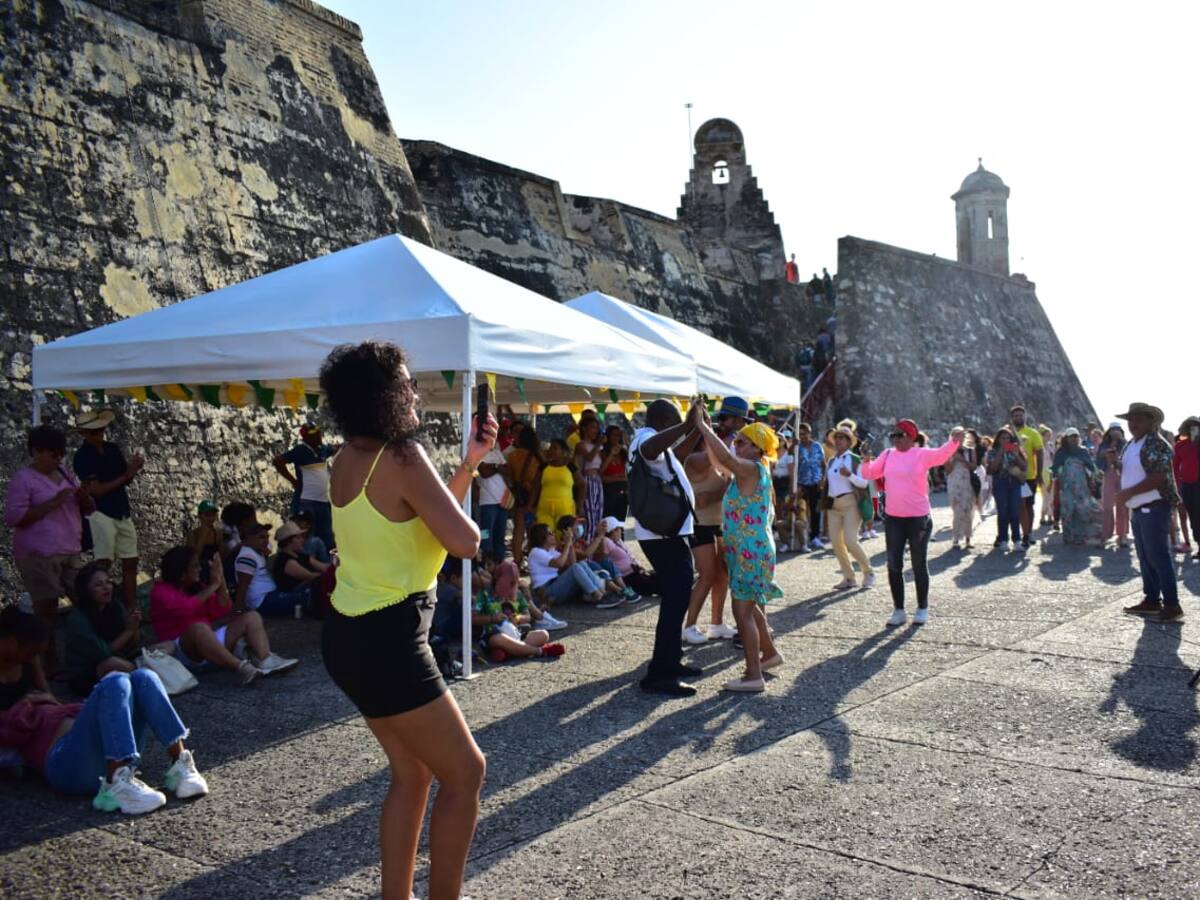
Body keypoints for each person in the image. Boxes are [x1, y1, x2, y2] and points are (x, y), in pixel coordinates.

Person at [318, 341, 495, 900]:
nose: (415, 391)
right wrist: (462, 475)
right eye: (406, 382)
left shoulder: (346, 457)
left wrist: (469, 462)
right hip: (390, 638)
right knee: (466, 773)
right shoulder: (402, 457)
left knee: (413, 774)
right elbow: (464, 541)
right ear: (385, 395)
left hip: (349, 636)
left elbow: (421, 527)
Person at [0, 607, 208, 815]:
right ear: (10, 642)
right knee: (114, 681)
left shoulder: (28, 660)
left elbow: (49, 697)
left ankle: (180, 765)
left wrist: (44, 698)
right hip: (62, 761)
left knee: (144, 677)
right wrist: (23, 707)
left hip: (91, 742)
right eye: (30, 652)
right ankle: (116, 784)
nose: (33, 657)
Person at [695, 415, 783, 692]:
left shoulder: (752, 469)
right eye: (735, 441)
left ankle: (753, 675)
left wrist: (702, 427)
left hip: (750, 550)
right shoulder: (747, 469)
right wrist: (709, 431)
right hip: (746, 550)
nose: (736, 445)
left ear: (757, 448)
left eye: (741, 442)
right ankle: (769, 654)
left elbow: (727, 460)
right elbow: (720, 460)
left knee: (742, 611)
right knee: (751, 606)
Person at [6, 424, 93, 673]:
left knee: (84, 599)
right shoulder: (23, 479)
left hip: (70, 549)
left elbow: (87, 509)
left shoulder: (64, 472)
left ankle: (82, 652)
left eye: (60, 453)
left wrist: (83, 497)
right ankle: (47, 662)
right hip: (39, 554)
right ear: (36, 451)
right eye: (52, 453)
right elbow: (14, 518)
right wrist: (55, 501)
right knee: (46, 611)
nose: (57, 458)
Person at [630, 399, 703, 697]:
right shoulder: (644, 438)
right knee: (675, 600)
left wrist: (697, 430)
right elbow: (650, 450)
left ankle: (671, 661)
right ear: (664, 420)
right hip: (662, 535)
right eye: (673, 422)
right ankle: (659, 674)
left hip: (669, 533)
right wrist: (686, 425)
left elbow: (677, 456)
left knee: (679, 597)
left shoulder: (659, 446)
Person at [860, 420, 960, 627]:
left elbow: (942, 455)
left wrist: (954, 438)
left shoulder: (921, 454)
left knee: (918, 563)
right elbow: (869, 473)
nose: (895, 439)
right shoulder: (887, 455)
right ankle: (899, 610)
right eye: (893, 435)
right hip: (894, 517)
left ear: (911, 437)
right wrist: (865, 459)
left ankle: (922, 607)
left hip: (918, 517)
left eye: (900, 435)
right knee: (894, 564)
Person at [150, 547, 296, 682]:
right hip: (182, 652)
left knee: (251, 616)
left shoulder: (196, 587)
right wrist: (214, 585)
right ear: (182, 573)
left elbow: (224, 610)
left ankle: (265, 659)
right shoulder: (160, 592)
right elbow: (186, 608)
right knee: (199, 628)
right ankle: (242, 667)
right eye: (195, 566)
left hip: (209, 644)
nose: (200, 569)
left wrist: (221, 581)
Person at [1116, 403, 1183, 623]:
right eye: (1130, 420)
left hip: (1155, 506)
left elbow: (1158, 477)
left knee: (1158, 555)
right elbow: (1132, 470)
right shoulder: (1131, 444)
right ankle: (1152, 599)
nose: (1133, 424)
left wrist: (1127, 493)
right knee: (1145, 555)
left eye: (1138, 419)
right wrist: (1114, 464)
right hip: (1139, 507)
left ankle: (1172, 604)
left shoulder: (1157, 444)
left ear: (1150, 421)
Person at [72, 409, 143, 612]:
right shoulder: (82, 456)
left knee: (131, 561)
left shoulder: (112, 449)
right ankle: (102, 610)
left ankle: (131, 609)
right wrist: (127, 474)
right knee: (103, 565)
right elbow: (97, 491)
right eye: (94, 432)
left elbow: (125, 479)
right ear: (83, 434)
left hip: (121, 510)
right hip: (100, 513)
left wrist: (132, 470)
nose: (100, 434)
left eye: (101, 430)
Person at [681, 444, 734, 644]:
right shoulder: (695, 458)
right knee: (707, 574)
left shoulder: (716, 455)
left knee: (722, 575)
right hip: (699, 524)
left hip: (717, 522)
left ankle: (716, 624)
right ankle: (688, 626)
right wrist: (728, 485)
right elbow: (703, 501)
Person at [63, 562, 142, 696]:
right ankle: (147, 682)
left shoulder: (115, 605)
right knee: (113, 663)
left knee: (164, 647)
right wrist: (128, 631)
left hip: (120, 658)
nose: (106, 588)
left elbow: (133, 645)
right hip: (89, 673)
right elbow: (103, 653)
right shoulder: (77, 619)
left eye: (108, 582)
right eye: (99, 585)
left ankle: (145, 678)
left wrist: (134, 627)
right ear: (86, 591)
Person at [824, 426, 875, 589]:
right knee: (836, 543)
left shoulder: (854, 459)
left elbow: (864, 483)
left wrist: (850, 475)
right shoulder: (831, 460)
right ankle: (849, 578)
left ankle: (868, 572)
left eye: (842, 438)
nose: (838, 440)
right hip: (833, 505)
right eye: (837, 437)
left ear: (849, 442)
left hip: (850, 503)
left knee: (850, 541)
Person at [273, 423, 337, 551]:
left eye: (319, 433)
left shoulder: (322, 449)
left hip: (323, 501)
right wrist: (293, 481)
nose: (319, 436)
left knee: (327, 536)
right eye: (314, 434)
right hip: (306, 501)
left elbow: (336, 449)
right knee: (308, 536)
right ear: (306, 437)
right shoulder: (301, 450)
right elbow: (278, 461)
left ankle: (327, 564)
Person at [526, 522, 612, 607]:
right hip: (546, 590)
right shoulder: (536, 552)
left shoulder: (550, 550)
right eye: (550, 533)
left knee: (581, 563)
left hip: (555, 584)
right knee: (576, 567)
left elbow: (573, 562)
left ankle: (601, 592)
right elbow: (560, 563)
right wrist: (567, 545)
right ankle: (597, 596)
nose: (553, 535)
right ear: (541, 536)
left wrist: (570, 544)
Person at [471, 584, 564, 662]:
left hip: (516, 633)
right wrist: (492, 619)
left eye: (515, 580)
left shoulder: (518, 593)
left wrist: (518, 618)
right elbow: (473, 619)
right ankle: (539, 651)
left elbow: (528, 616)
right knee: (499, 639)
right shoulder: (484, 593)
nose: (514, 584)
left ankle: (510, 652)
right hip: (493, 635)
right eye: (511, 580)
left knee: (543, 634)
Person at [1050, 428, 1103, 546]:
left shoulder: (1083, 451)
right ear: (1066, 438)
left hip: (1082, 487)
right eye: (1071, 436)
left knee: (1082, 510)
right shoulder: (1061, 452)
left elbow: (1091, 467)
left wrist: (1095, 477)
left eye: (1076, 436)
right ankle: (1068, 536)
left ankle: (1081, 536)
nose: (1074, 439)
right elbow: (1055, 469)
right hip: (1066, 487)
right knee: (1068, 511)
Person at [270, 522, 333, 615]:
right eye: (298, 538)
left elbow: (323, 567)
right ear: (289, 541)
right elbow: (310, 576)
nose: (302, 540)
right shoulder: (285, 561)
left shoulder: (301, 555)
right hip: (296, 595)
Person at [505, 425, 543, 571]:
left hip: (521, 497)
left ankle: (517, 562)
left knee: (518, 533)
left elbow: (511, 477)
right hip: (537, 497)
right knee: (535, 533)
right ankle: (536, 563)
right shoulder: (539, 456)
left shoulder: (513, 456)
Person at [986, 426, 1027, 551]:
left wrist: (1016, 454)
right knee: (1002, 512)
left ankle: (1017, 540)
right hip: (1000, 482)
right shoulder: (992, 452)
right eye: (1003, 438)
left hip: (1014, 482)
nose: (1006, 440)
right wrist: (1000, 452)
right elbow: (991, 469)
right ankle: (1003, 539)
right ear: (998, 439)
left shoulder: (1015, 449)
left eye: (1008, 438)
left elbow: (1024, 466)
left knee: (1014, 511)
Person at [597, 517, 661, 598]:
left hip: (634, 571)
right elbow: (602, 559)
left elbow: (629, 556)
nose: (622, 531)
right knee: (654, 585)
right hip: (626, 577)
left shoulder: (618, 540)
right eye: (620, 529)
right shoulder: (606, 541)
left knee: (659, 576)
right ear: (613, 531)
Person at [1010, 405, 1044, 550]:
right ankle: (1018, 534)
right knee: (1016, 506)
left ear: (1025, 416)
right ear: (1012, 418)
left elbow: (1040, 453)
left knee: (1028, 505)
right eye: (1016, 416)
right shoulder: (1008, 433)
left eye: (1020, 415)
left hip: (1028, 476)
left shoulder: (1033, 433)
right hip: (1012, 475)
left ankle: (1028, 533)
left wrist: (1039, 473)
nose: (1018, 418)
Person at [474, 441, 510, 563]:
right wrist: (497, 467)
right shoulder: (477, 453)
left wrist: (493, 467)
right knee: (485, 535)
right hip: (486, 502)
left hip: (503, 501)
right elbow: (484, 472)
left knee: (500, 537)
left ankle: (499, 566)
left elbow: (508, 470)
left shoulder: (497, 453)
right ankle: (485, 564)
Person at [1096, 422, 1130, 548]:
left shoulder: (1126, 444)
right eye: (1113, 430)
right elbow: (1098, 459)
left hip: (1122, 476)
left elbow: (1129, 459)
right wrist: (1105, 453)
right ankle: (1105, 535)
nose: (1115, 432)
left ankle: (1122, 535)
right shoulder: (1104, 444)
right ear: (1109, 431)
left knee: (1122, 506)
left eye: (1117, 429)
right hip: (1108, 474)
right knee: (1107, 506)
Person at [793, 422, 826, 550]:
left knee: (815, 511)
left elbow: (823, 464)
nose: (803, 436)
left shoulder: (817, 446)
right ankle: (802, 538)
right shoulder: (797, 447)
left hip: (816, 483)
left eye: (805, 433)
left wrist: (823, 480)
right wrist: (793, 445)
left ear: (809, 433)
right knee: (801, 511)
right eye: (800, 434)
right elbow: (790, 455)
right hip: (802, 483)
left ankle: (815, 537)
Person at [233, 523, 278, 614]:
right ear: (249, 538)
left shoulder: (257, 552)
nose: (266, 541)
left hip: (269, 597)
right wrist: (238, 611)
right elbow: (242, 587)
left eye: (267, 537)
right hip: (262, 602)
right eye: (261, 537)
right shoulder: (247, 557)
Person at [532, 438, 578, 528]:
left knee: (563, 537)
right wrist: (530, 505)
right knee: (545, 536)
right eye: (550, 448)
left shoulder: (570, 466)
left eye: (555, 448)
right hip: (544, 508)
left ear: (563, 451)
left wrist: (579, 505)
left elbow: (582, 485)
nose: (550, 451)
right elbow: (535, 487)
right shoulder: (544, 467)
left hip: (565, 509)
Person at [945, 429, 978, 549]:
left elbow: (974, 466)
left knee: (968, 510)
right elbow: (947, 470)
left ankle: (968, 538)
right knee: (957, 509)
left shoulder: (970, 450)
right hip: (954, 483)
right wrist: (954, 459)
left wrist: (962, 459)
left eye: (961, 435)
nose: (958, 437)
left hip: (967, 482)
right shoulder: (947, 450)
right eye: (955, 435)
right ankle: (956, 538)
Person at [574, 417, 606, 539]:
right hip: (587, 480)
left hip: (597, 480)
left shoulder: (596, 447)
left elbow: (601, 466)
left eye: (597, 428)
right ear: (584, 428)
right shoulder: (581, 445)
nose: (595, 431)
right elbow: (589, 458)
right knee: (589, 514)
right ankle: (587, 543)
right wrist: (598, 444)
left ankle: (595, 543)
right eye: (593, 427)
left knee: (598, 512)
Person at [1174, 418, 1200, 558]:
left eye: (1197, 427)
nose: (1194, 430)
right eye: (1191, 428)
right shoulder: (1180, 446)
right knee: (1193, 517)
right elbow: (1175, 467)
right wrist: (1177, 485)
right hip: (1186, 485)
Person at [600, 425, 629, 522]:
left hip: (622, 491)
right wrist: (611, 454)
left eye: (618, 435)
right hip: (609, 491)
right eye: (613, 435)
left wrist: (625, 441)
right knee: (610, 521)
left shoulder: (623, 453)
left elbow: (631, 462)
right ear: (608, 436)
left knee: (621, 522)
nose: (616, 437)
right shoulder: (603, 453)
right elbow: (600, 474)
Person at [187, 500, 222, 566]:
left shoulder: (218, 533)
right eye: (207, 515)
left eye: (213, 515)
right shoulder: (192, 535)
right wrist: (203, 535)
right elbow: (193, 557)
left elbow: (222, 556)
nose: (211, 518)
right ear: (199, 515)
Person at [1038, 426, 1056, 526]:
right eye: (1047, 435)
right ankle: (1042, 516)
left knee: (1051, 496)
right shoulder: (1039, 447)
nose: (1049, 437)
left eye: (1050, 435)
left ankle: (1049, 516)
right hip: (1042, 472)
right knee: (1046, 495)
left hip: (1050, 472)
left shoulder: (1050, 446)